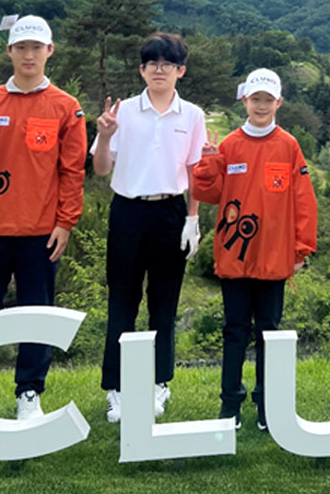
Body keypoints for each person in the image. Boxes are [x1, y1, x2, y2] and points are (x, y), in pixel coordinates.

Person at [0, 14, 87, 420]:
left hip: (40, 232)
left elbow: (72, 171)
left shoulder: (66, 107)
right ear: (9, 51)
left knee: (37, 314)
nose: (29, 55)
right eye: (22, 47)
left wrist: (65, 222)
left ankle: (29, 392)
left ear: (50, 51)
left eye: (37, 47)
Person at [193, 68, 317, 430]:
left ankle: (266, 405)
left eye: (268, 100)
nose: (261, 106)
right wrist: (208, 164)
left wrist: (300, 250)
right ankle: (230, 404)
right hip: (235, 257)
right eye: (255, 99)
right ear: (244, 101)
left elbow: (304, 202)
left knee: (269, 332)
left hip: (274, 257)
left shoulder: (289, 146)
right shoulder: (229, 144)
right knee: (233, 331)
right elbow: (208, 195)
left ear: (279, 103)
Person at [91, 32, 206, 423]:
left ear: (180, 71)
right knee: (122, 302)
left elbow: (195, 171)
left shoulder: (192, 115)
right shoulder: (122, 112)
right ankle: (117, 388)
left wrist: (193, 218)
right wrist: (104, 136)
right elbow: (101, 168)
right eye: (152, 63)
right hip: (128, 211)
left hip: (171, 212)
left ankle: (159, 382)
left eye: (168, 64)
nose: (160, 69)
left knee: (164, 304)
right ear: (142, 70)